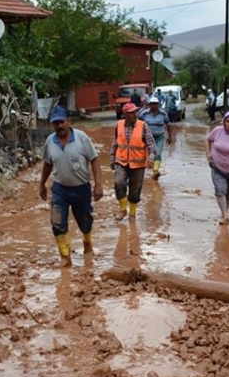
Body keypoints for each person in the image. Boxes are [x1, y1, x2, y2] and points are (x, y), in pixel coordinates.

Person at [38, 106, 104, 267]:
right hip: (60, 188)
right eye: (55, 123)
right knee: (57, 222)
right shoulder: (50, 141)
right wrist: (42, 185)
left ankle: (87, 243)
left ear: (69, 121)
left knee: (85, 221)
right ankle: (65, 257)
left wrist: (98, 185)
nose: (59, 126)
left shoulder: (82, 138)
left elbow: (94, 159)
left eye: (61, 122)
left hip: (81, 188)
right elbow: (47, 164)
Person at [111, 102, 156, 221]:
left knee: (135, 189)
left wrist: (151, 158)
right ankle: (122, 209)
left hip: (138, 163)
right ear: (125, 114)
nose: (135, 114)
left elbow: (151, 145)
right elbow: (115, 143)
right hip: (121, 161)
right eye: (131, 113)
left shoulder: (143, 125)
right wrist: (112, 158)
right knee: (118, 183)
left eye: (135, 112)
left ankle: (132, 214)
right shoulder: (119, 125)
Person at [138, 96, 173, 180]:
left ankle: (155, 171)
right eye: (152, 104)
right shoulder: (144, 113)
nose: (153, 106)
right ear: (149, 105)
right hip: (147, 137)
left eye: (155, 104)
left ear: (158, 105)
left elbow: (168, 124)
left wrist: (170, 136)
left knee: (158, 152)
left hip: (159, 136)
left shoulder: (163, 113)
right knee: (146, 153)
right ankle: (142, 169)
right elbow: (137, 123)